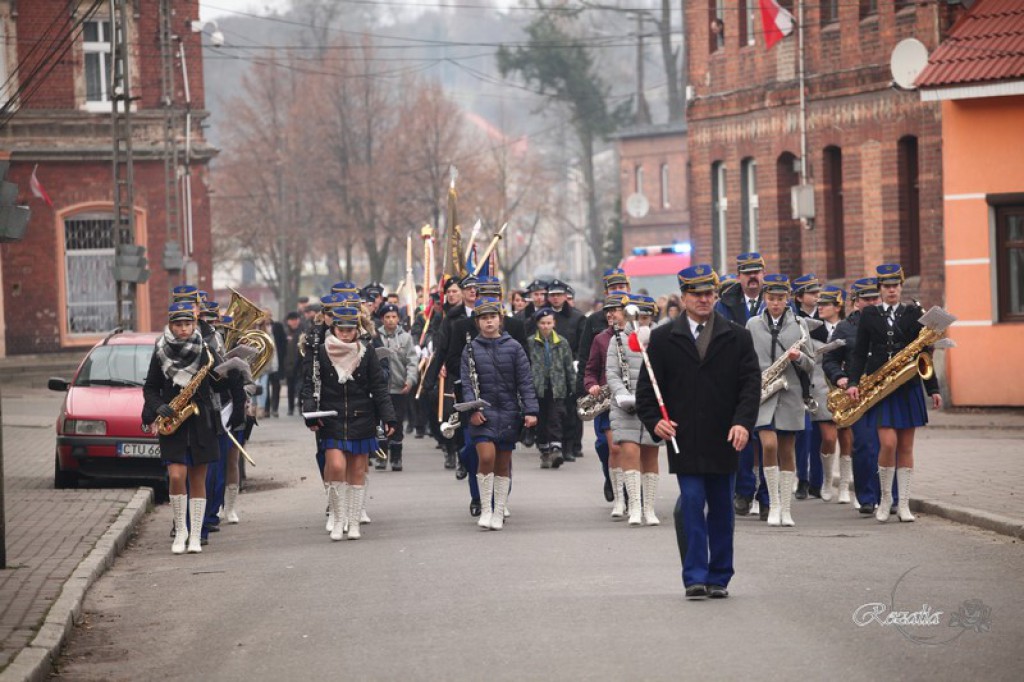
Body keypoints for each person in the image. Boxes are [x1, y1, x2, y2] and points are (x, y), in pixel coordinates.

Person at [636, 265, 760, 599]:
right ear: (684, 297)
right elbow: (647, 393)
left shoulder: (737, 336)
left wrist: (742, 423)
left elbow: (751, 386)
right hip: (684, 439)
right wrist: (654, 422)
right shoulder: (663, 338)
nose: (704, 299)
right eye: (696, 294)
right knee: (691, 502)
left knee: (721, 508)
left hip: (725, 437)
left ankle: (719, 576)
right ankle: (694, 576)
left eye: (709, 293)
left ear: (716, 296)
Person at [142, 302, 244, 554]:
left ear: (194, 324)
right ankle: (181, 531)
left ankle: (196, 535)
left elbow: (219, 385)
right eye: (179, 324)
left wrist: (234, 375)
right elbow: (149, 387)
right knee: (177, 476)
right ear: (171, 325)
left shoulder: (207, 350)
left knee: (199, 479)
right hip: (173, 422)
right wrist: (158, 406)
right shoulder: (159, 351)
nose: (184, 329)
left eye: (188, 324)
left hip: (201, 421)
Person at [845, 263, 942, 523]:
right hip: (881, 387)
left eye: (895, 286)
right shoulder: (870, 315)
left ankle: (904, 504)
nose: (891, 291)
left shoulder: (914, 313)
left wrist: (932, 388)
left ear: (901, 287)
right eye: (887, 287)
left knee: (906, 447)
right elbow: (858, 352)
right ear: (880, 289)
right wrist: (853, 381)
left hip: (907, 386)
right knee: (888, 444)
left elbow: (923, 354)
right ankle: (886, 498)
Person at [301, 306, 397, 540]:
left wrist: (389, 416)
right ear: (333, 328)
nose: (345, 334)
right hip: (331, 417)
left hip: (362, 417)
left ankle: (353, 523)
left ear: (357, 329)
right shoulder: (321, 352)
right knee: (334, 466)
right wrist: (311, 413)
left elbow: (378, 388)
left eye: (350, 329)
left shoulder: (367, 352)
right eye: (341, 329)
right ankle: (338, 518)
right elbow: (309, 385)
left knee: (357, 470)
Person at [461, 297, 539, 530]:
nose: (489, 322)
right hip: (482, 413)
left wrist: (530, 410)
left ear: (500, 319)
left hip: (508, 412)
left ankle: (499, 510)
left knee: (503, 464)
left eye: (493, 317)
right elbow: (466, 383)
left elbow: (525, 381)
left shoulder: (514, 347)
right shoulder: (470, 349)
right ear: (477, 322)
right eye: (484, 318)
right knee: (485, 458)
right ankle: (485, 508)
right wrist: (472, 410)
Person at [746, 274, 816, 527]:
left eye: (780, 299)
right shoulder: (753, 324)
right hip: (763, 393)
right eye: (771, 298)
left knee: (787, 450)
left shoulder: (799, 324)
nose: (775, 303)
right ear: (765, 298)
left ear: (787, 299)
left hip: (790, 393)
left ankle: (786, 509)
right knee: (768, 445)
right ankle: (773, 504)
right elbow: (744, 359)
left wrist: (799, 358)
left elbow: (811, 363)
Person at [824, 278, 885, 514]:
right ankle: (867, 498)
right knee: (864, 445)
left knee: (887, 445)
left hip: (885, 390)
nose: (871, 302)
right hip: (856, 393)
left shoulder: (889, 322)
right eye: (866, 299)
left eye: (874, 298)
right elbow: (829, 359)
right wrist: (840, 377)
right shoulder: (844, 328)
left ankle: (889, 497)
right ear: (855, 302)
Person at [715, 253, 766, 519]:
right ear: (739, 277)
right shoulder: (724, 304)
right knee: (743, 438)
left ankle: (767, 497)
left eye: (756, 272)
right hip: (737, 379)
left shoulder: (777, 299)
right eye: (747, 273)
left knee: (769, 440)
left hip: (771, 378)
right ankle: (744, 491)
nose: (752, 277)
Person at [606, 294, 662, 526]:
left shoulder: (661, 339)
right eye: (638, 317)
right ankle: (635, 507)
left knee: (650, 453)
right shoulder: (618, 340)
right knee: (629, 451)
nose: (642, 321)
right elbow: (611, 372)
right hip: (625, 404)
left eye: (647, 317)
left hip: (652, 405)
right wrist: (622, 394)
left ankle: (649, 508)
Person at [576, 268, 632, 491]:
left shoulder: (637, 318)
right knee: (603, 446)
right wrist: (587, 388)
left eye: (621, 287)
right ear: (607, 291)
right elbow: (585, 358)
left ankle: (626, 489)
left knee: (625, 446)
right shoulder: (596, 321)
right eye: (613, 288)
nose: (617, 291)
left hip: (630, 393)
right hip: (604, 394)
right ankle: (611, 477)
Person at [584, 291, 630, 517]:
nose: (611, 314)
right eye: (608, 311)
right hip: (609, 400)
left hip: (633, 399)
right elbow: (591, 370)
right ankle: (619, 498)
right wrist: (591, 384)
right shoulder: (601, 338)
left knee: (633, 449)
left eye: (616, 310)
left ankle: (634, 493)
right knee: (614, 447)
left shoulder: (636, 336)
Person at [808, 285, 846, 502]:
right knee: (829, 438)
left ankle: (844, 487)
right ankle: (827, 480)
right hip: (821, 388)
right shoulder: (814, 329)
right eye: (819, 303)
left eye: (825, 304)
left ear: (837, 306)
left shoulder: (849, 326)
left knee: (848, 439)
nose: (819, 307)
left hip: (846, 387)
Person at [528, 308, 575, 469]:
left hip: (557, 387)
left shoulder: (561, 342)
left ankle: (556, 449)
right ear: (537, 324)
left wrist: (573, 388)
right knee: (540, 421)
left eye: (549, 323)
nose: (546, 326)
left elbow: (569, 367)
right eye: (542, 323)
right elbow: (526, 365)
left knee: (556, 418)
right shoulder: (531, 342)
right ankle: (545, 451)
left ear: (554, 323)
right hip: (538, 388)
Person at [379, 302, 419, 471]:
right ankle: (381, 455)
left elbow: (412, 361)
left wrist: (410, 380)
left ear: (398, 318)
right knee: (380, 423)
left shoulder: (405, 338)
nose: (390, 320)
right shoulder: (375, 336)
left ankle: (396, 457)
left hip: (399, 387)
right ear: (382, 319)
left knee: (396, 422)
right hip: (380, 389)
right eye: (387, 317)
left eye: (394, 317)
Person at [283, 312, 303, 416]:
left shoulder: (303, 331)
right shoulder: (285, 332)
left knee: (300, 387)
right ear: (288, 321)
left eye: (296, 319)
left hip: (300, 364)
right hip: (289, 364)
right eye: (292, 320)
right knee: (290, 388)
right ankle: (290, 408)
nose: (294, 322)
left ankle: (300, 406)